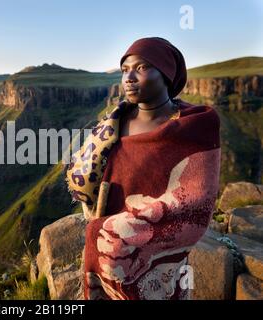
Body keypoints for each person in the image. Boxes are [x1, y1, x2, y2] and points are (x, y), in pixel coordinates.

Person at [69, 37, 221, 300]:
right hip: (103, 259)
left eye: (140, 68)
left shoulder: (194, 128)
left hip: (159, 267)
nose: (128, 77)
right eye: (124, 70)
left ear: (166, 74)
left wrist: (106, 231)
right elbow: (87, 178)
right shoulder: (113, 123)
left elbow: (195, 204)